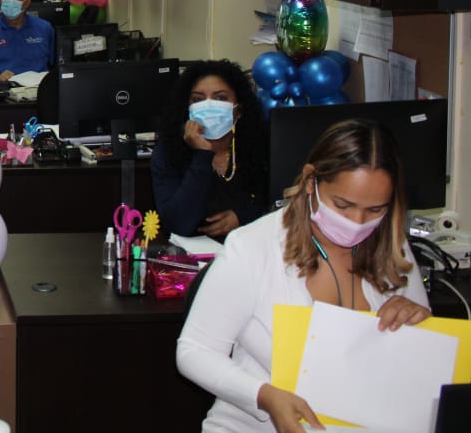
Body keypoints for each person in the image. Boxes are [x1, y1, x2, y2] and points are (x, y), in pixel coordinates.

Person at [177, 119, 431, 433]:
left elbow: (418, 355)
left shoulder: (393, 246)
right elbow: (194, 351)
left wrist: (417, 320)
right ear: (311, 181)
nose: (357, 222)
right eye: (343, 205)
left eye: (375, 210)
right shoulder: (254, 246)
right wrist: (263, 396)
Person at [152, 60, 269, 240]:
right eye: (198, 100)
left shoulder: (261, 146)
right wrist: (203, 155)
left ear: (239, 109)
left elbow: (280, 206)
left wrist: (243, 218)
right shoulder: (168, 152)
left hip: (250, 247)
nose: (208, 106)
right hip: (191, 253)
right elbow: (178, 223)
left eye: (220, 98)